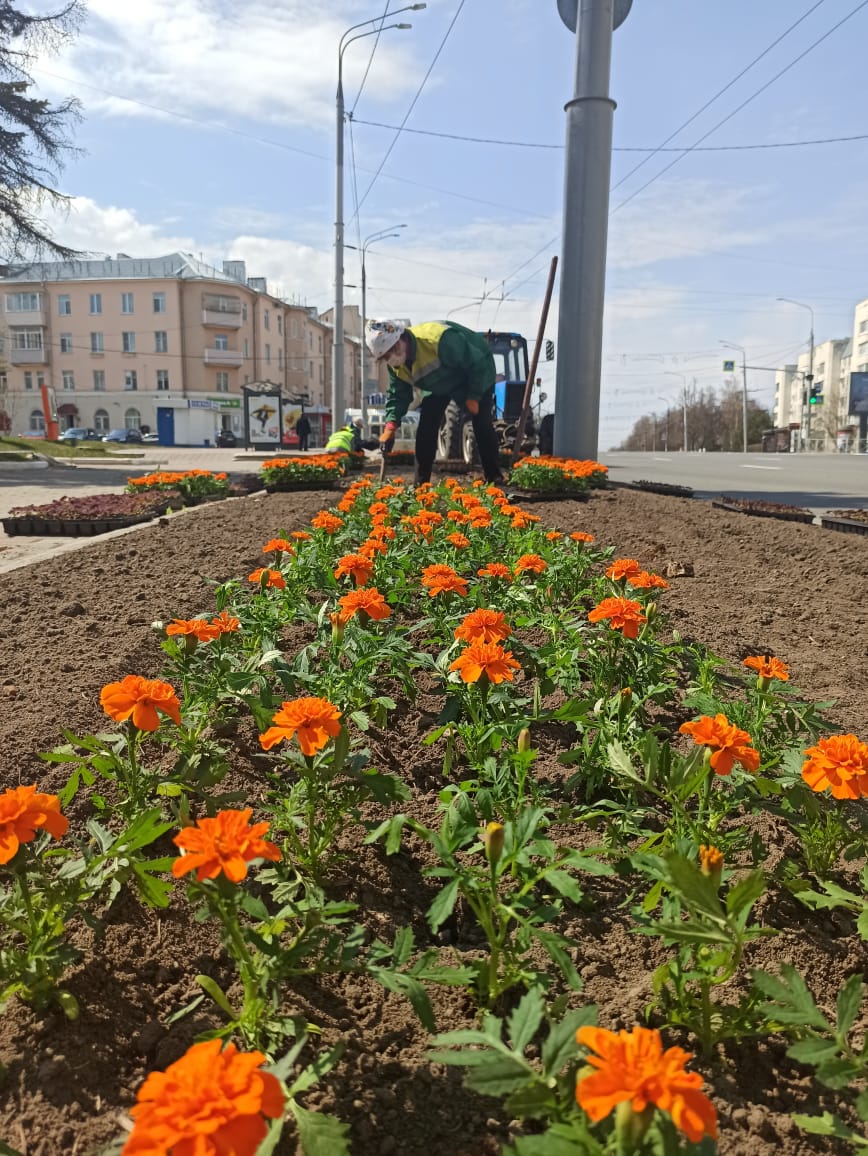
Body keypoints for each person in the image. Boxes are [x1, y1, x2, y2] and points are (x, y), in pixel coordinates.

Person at [365, 318, 504, 485]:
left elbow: (476, 363)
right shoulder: (395, 365)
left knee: (481, 424)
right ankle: (421, 485)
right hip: (439, 384)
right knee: (426, 427)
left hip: (476, 371)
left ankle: (495, 478)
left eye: (392, 350)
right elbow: (398, 395)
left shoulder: (440, 340)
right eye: (386, 356)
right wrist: (390, 426)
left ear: (401, 337)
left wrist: (474, 396)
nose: (392, 357)